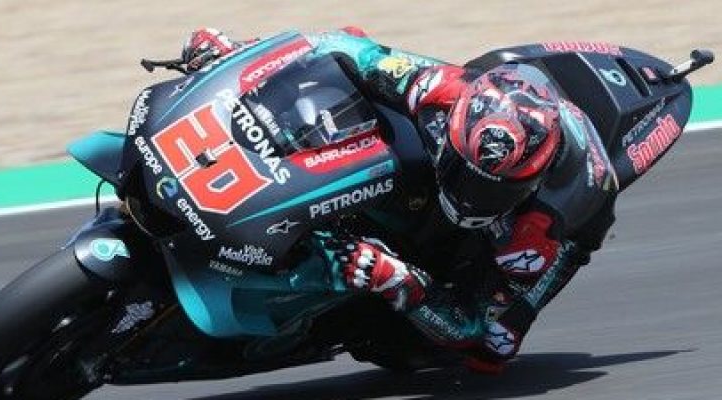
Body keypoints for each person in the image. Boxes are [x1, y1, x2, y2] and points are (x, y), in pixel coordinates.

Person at [183, 27, 618, 374]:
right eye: (463, 172)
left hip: (572, 222)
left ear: (527, 184)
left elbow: (471, 324)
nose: (469, 196)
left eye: (490, 190)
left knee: (492, 348)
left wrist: (397, 280)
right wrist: (239, 54)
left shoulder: (536, 231)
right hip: (495, 118)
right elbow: (335, 45)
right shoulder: (440, 87)